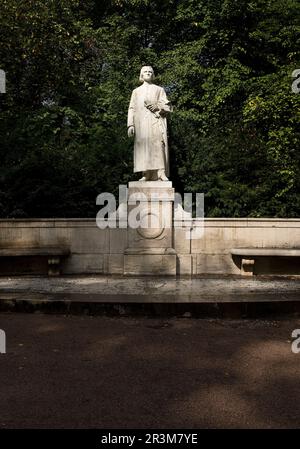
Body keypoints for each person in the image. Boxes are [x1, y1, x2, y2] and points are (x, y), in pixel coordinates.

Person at [127, 66, 172, 181]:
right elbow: (131, 108)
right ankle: (146, 173)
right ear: (141, 75)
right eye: (145, 72)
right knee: (144, 147)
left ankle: (161, 172)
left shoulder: (159, 89)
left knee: (158, 145)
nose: (148, 73)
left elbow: (167, 106)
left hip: (155, 121)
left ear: (153, 74)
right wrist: (130, 125)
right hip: (141, 124)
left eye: (150, 72)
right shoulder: (136, 92)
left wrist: (157, 106)